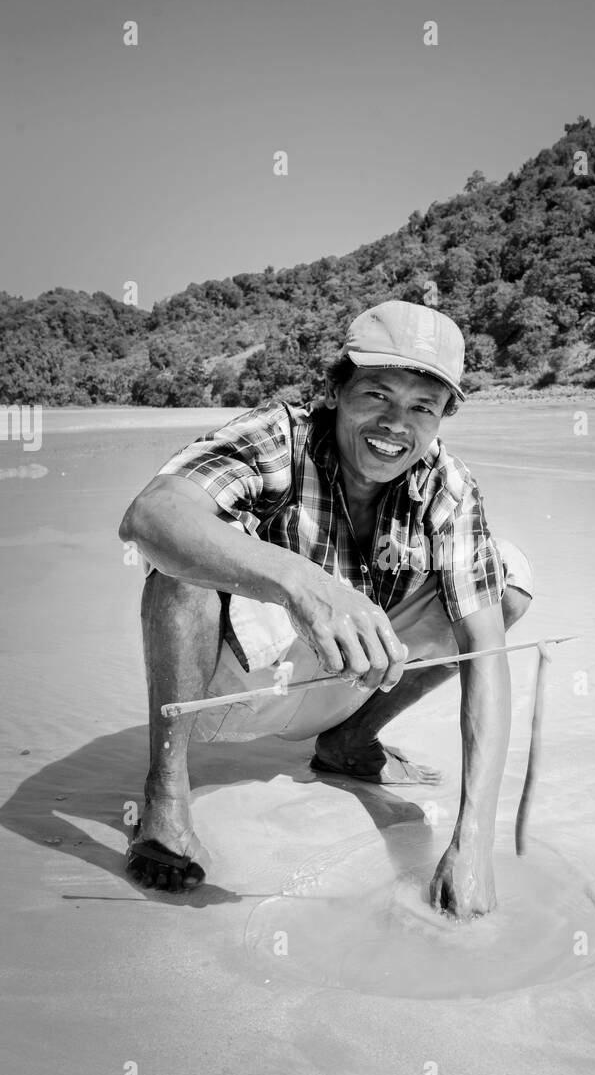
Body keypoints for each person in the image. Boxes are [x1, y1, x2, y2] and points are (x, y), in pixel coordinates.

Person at [118, 300, 533, 916]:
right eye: (377, 395)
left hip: (349, 679)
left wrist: (474, 843)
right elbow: (149, 517)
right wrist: (303, 582)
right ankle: (166, 794)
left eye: (423, 407)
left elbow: (486, 652)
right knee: (184, 565)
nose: (396, 424)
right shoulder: (276, 437)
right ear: (335, 390)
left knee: (509, 580)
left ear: (444, 415)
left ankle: (349, 743)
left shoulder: (446, 484)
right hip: (227, 694)